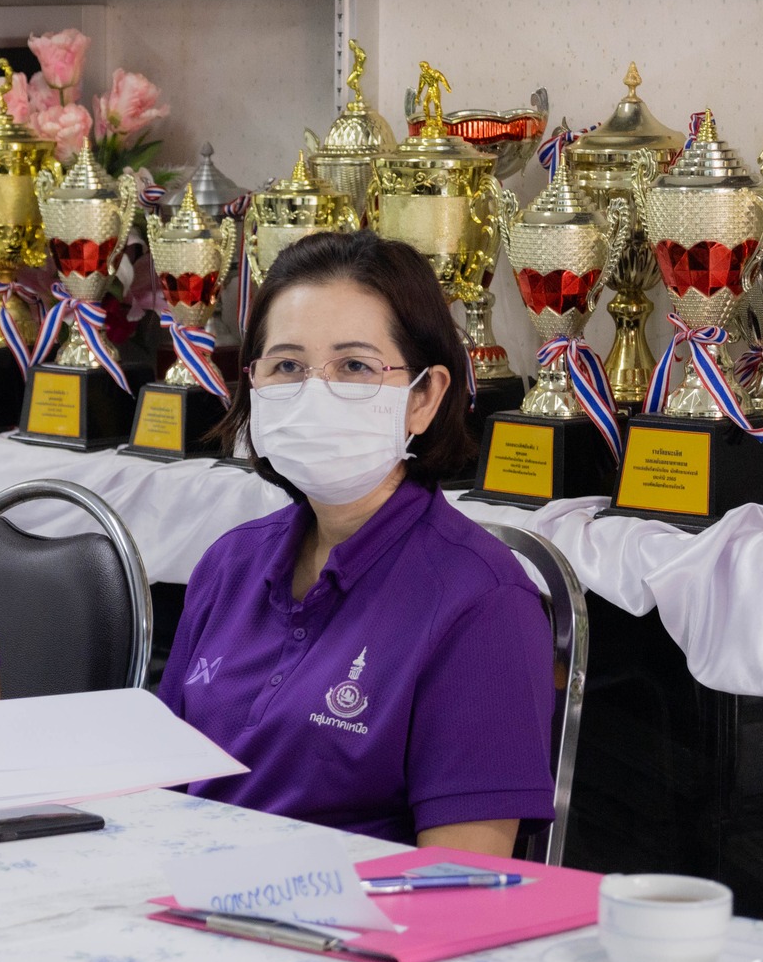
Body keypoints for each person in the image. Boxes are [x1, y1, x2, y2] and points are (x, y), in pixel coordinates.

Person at [157, 230, 554, 852]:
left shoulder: (482, 601)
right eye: (287, 366)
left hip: (342, 933)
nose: (315, 393)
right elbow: (160, 789)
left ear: (423, 396)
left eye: (355, 366)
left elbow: (461, 880)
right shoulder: (230, 562)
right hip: (177, 905)